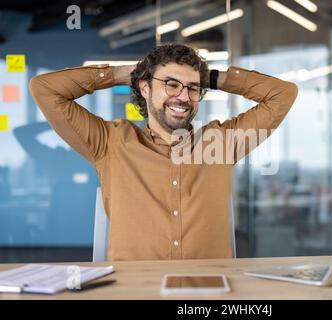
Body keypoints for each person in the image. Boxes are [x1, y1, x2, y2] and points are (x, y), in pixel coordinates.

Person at [29, 43, 298, 261]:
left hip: (208, 294)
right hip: (134, 291)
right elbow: (45, 89)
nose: (183, 96)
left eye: (193, 88)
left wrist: (213, 78)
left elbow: (283, 94)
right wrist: (125, 74)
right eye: (171, 84)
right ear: (145, 88)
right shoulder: (110, 142)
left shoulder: (222, 144)